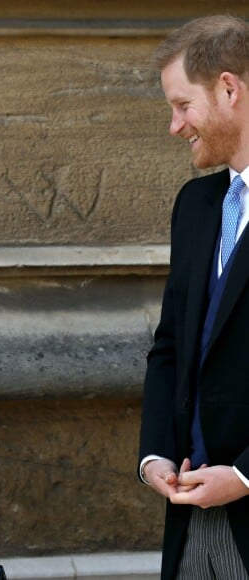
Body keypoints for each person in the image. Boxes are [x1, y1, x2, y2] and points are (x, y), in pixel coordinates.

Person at [137, 14, 249, 579]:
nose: (175, 126)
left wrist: (248, 475)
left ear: (229, 89)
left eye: (183, 105)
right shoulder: (196, 205)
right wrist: (154, 454)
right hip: (189, 527)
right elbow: (172, 344)